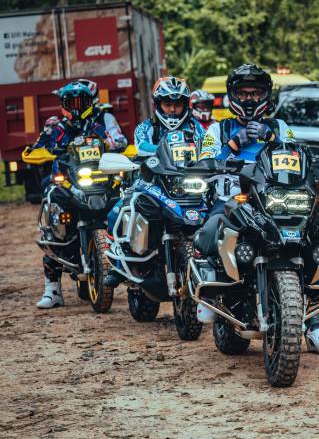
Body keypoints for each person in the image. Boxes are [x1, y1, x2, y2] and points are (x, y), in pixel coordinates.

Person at [196, 63, 319, 354]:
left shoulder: (280, 126)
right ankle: (213, 293)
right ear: (233, 95)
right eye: (243, 93)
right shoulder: (217, 128)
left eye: (256, 93)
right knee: (209, 230)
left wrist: (271, 138)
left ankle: (315, 326)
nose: (249, 99)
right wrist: (234, 144)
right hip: (234, 199)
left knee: (314, 237)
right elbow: (204, 160)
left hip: (276, 199)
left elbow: (299, 157)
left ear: (266, 96)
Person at [104, 75, 206, 287]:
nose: (172, 110)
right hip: (151, 182)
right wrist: (159, 150)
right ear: (158, 105)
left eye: (177, 105)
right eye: (167, 104)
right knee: (121, 207)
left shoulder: (197, 127)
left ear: (185, 105)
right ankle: (120, 257)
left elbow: (208, 148)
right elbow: (142, 146)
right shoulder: (145, 127)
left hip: (188, 185)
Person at [35, 79, 127, 308]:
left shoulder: (99, 122)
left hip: (98, 181)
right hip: (66, 182)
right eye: (71, 102)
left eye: (81, 101)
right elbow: (39, 146)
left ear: (90, 102)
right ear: (63, 103)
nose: (76, 107)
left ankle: (134, 272)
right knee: (54, 224)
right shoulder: (55, 126)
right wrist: (37, 152)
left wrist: (113, 143)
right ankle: (52, 290)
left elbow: (119, 140)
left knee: (125, 201)